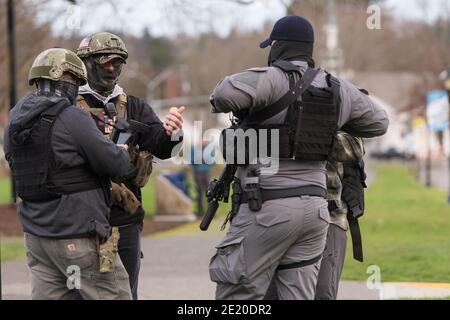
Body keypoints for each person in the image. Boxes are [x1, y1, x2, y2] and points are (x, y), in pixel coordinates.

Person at [208, 15, 388, 300]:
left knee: (237, 295)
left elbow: (222, 94)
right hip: (315, 213)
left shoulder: (273, 79)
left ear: (277, 45)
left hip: (266, 207)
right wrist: (333, 123)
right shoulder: (337, 88)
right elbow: (379, 122)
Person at [3, 48, 135, 300]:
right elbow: (116, 165)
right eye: (75, 81)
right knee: (114, 295)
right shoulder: (72, 117)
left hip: (37, 239)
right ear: (66, 80)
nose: (76, 88)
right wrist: (121, 147)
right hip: (78, 235)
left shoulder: (14, 120)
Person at [75, 32, 184, 299]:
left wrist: (171, 133)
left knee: (124, 292)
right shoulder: (68, 104)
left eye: (118, 63)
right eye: (104, 62)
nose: (112, 68)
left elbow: (160, 146)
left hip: (124, 219)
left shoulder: (134, 106)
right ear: (86, 63)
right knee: (80, 293)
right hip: (79, 221)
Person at [264, 131, 365, 300]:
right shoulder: (270, 107)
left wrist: (301, 133)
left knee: (321, 292)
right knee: (270, 295)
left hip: (328, 216)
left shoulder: (333, 105)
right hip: (273, 216)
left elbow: (355, 147)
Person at [190, 139, 215, 217]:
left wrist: (206, 159)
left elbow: (213, 161)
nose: (201, 142)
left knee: (209, 192)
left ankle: (210, 212)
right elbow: (191, 161)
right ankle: (200, 212)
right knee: (199, 192)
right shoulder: (194, 149)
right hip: (197, 172)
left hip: (207, 172)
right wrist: (198, 159)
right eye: (200, 140)